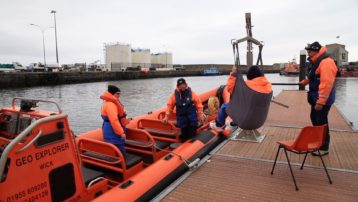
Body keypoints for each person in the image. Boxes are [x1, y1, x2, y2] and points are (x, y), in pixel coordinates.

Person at [300, 41, 337, 156]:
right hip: (315, 97)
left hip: (322, 99)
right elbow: (314, 75)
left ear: (316, 51)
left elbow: (326, 83)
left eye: (309, 51)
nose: (308, 54)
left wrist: (321, 102)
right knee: (315, 119)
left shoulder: (326, 62)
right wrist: (305, 81)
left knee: (321, 122)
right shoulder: (316, 61)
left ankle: (323, 147)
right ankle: (318, 142)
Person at [210, 65, 272, 133]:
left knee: (225, 106)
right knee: (244, 107)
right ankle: (233, 124)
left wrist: (233, 73)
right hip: (260, 122)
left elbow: (230, 89)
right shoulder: (268, 86)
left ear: (249, 76)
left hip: (245, 123)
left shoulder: (246, 86)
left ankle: (218, 125)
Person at [100, 85, 130, 155]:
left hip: (109, 128)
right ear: (112, 93)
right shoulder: (111, 105)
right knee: (119, 149)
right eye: (117, 93)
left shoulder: (108, 103)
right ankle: (123, 163)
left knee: (115, 148)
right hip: (112, 131)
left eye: (119, 93)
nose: (119, 95)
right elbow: (114, 121)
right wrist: (121, 133)